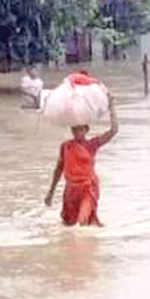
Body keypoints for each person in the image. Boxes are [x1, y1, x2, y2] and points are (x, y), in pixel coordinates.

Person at [44, 90, 118, 227]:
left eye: (81, 130)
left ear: (86, 130)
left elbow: (114, 131)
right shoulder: (66, 147)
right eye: (75, 130)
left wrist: (112, 106)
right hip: (71, 190)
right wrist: (51, 193)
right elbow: (58, 170)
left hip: (87, 188)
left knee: (82, 221)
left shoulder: (92, 145)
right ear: (72, 131)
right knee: (68, 225)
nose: (78, 133)